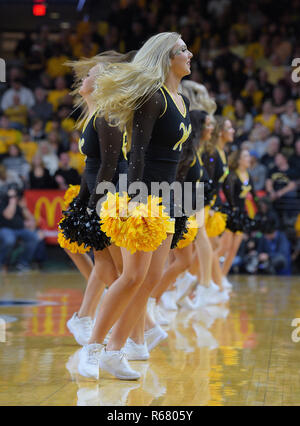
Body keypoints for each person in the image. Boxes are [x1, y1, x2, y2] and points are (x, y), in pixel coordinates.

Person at [78, 32, 193, 381]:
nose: (191, 54)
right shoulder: (152, 97)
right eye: (183, 50)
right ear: (166, 57)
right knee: (131, 276)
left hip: (168, 193)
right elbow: (137, 152)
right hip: (145, 193)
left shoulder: (180, 97)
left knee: (152, 277)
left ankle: (117, 349)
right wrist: (137, 201)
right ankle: (93, 348)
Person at [0, 186, 39, 272]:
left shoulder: (19, 204)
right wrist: (12, 201)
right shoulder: (3, 203)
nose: (15, 197)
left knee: (33, 237)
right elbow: (9, 216)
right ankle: (2, 263)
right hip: (5, 229)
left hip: (20, 229)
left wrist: (23, 207)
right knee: (9, 240)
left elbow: (32, 220)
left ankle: (22, 263)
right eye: (12, 195)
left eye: (15, 195)